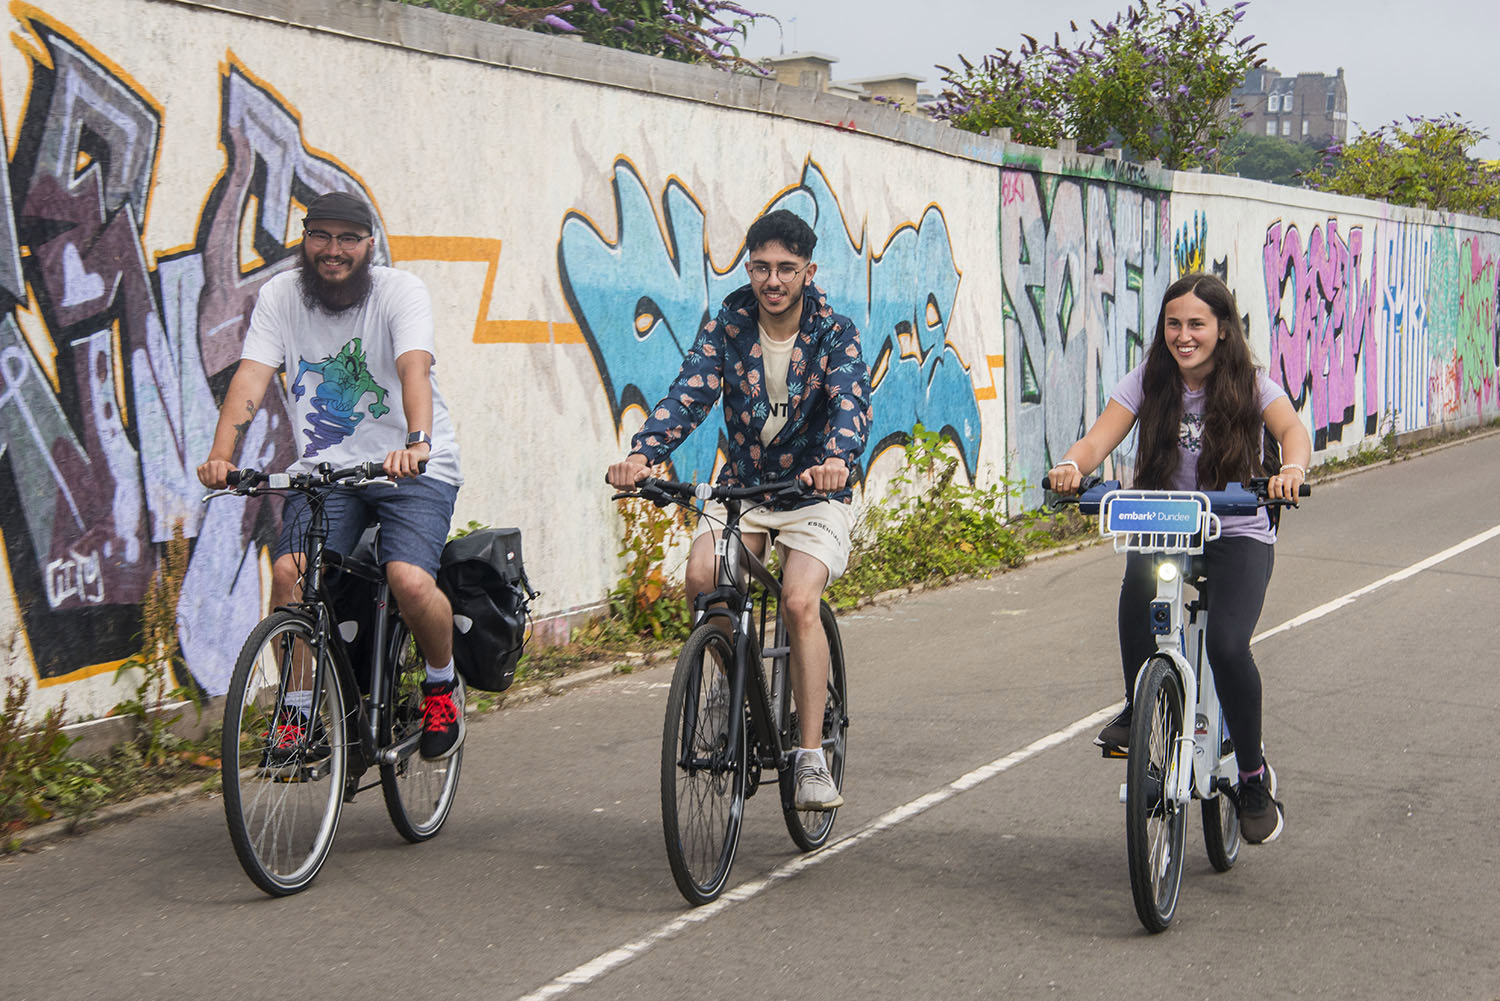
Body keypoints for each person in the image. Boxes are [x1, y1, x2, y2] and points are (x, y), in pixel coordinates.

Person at [605, 209, 871, 811]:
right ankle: (729, 680)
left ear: (808, 270)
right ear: (747, 268)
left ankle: (807, 757)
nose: (772, 280)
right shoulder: (727, 325)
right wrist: (642, 456)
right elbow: (687, 396)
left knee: (800, 600)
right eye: (760, 267)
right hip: (745, 488)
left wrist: (836, 458)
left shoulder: (836, 332)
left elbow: (851, 406)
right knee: (703, 576)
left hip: (814, 490)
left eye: (785, 268)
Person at [197, 190, 465, 761]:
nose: (333, 250)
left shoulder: (400, 292)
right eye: (320, 236)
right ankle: (297, 716)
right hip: (327, 475)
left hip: (410, 468)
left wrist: (417, 441)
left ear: (369, 245)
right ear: (305, 239)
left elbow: (413, 368)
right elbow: (250, 377)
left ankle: (441, 685)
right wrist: (222, 457)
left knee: (410, 581)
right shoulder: (281, 297)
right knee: (290, 575)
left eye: (347, 239)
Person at [1046, 272, 1311, 844]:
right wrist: (1073, 465)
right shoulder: (1149, 379)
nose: (1184, 335)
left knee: (1226, 645)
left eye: (1196, 324)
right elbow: (1098, 440)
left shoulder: (1252, 382)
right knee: (1139, 579)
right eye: (1174, 324)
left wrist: (1290, 470)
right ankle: (1137, 701)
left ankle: (1252, 773)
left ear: (1222, 329)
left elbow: (1292, 429)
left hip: (1237, 524)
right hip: (1168, 521)